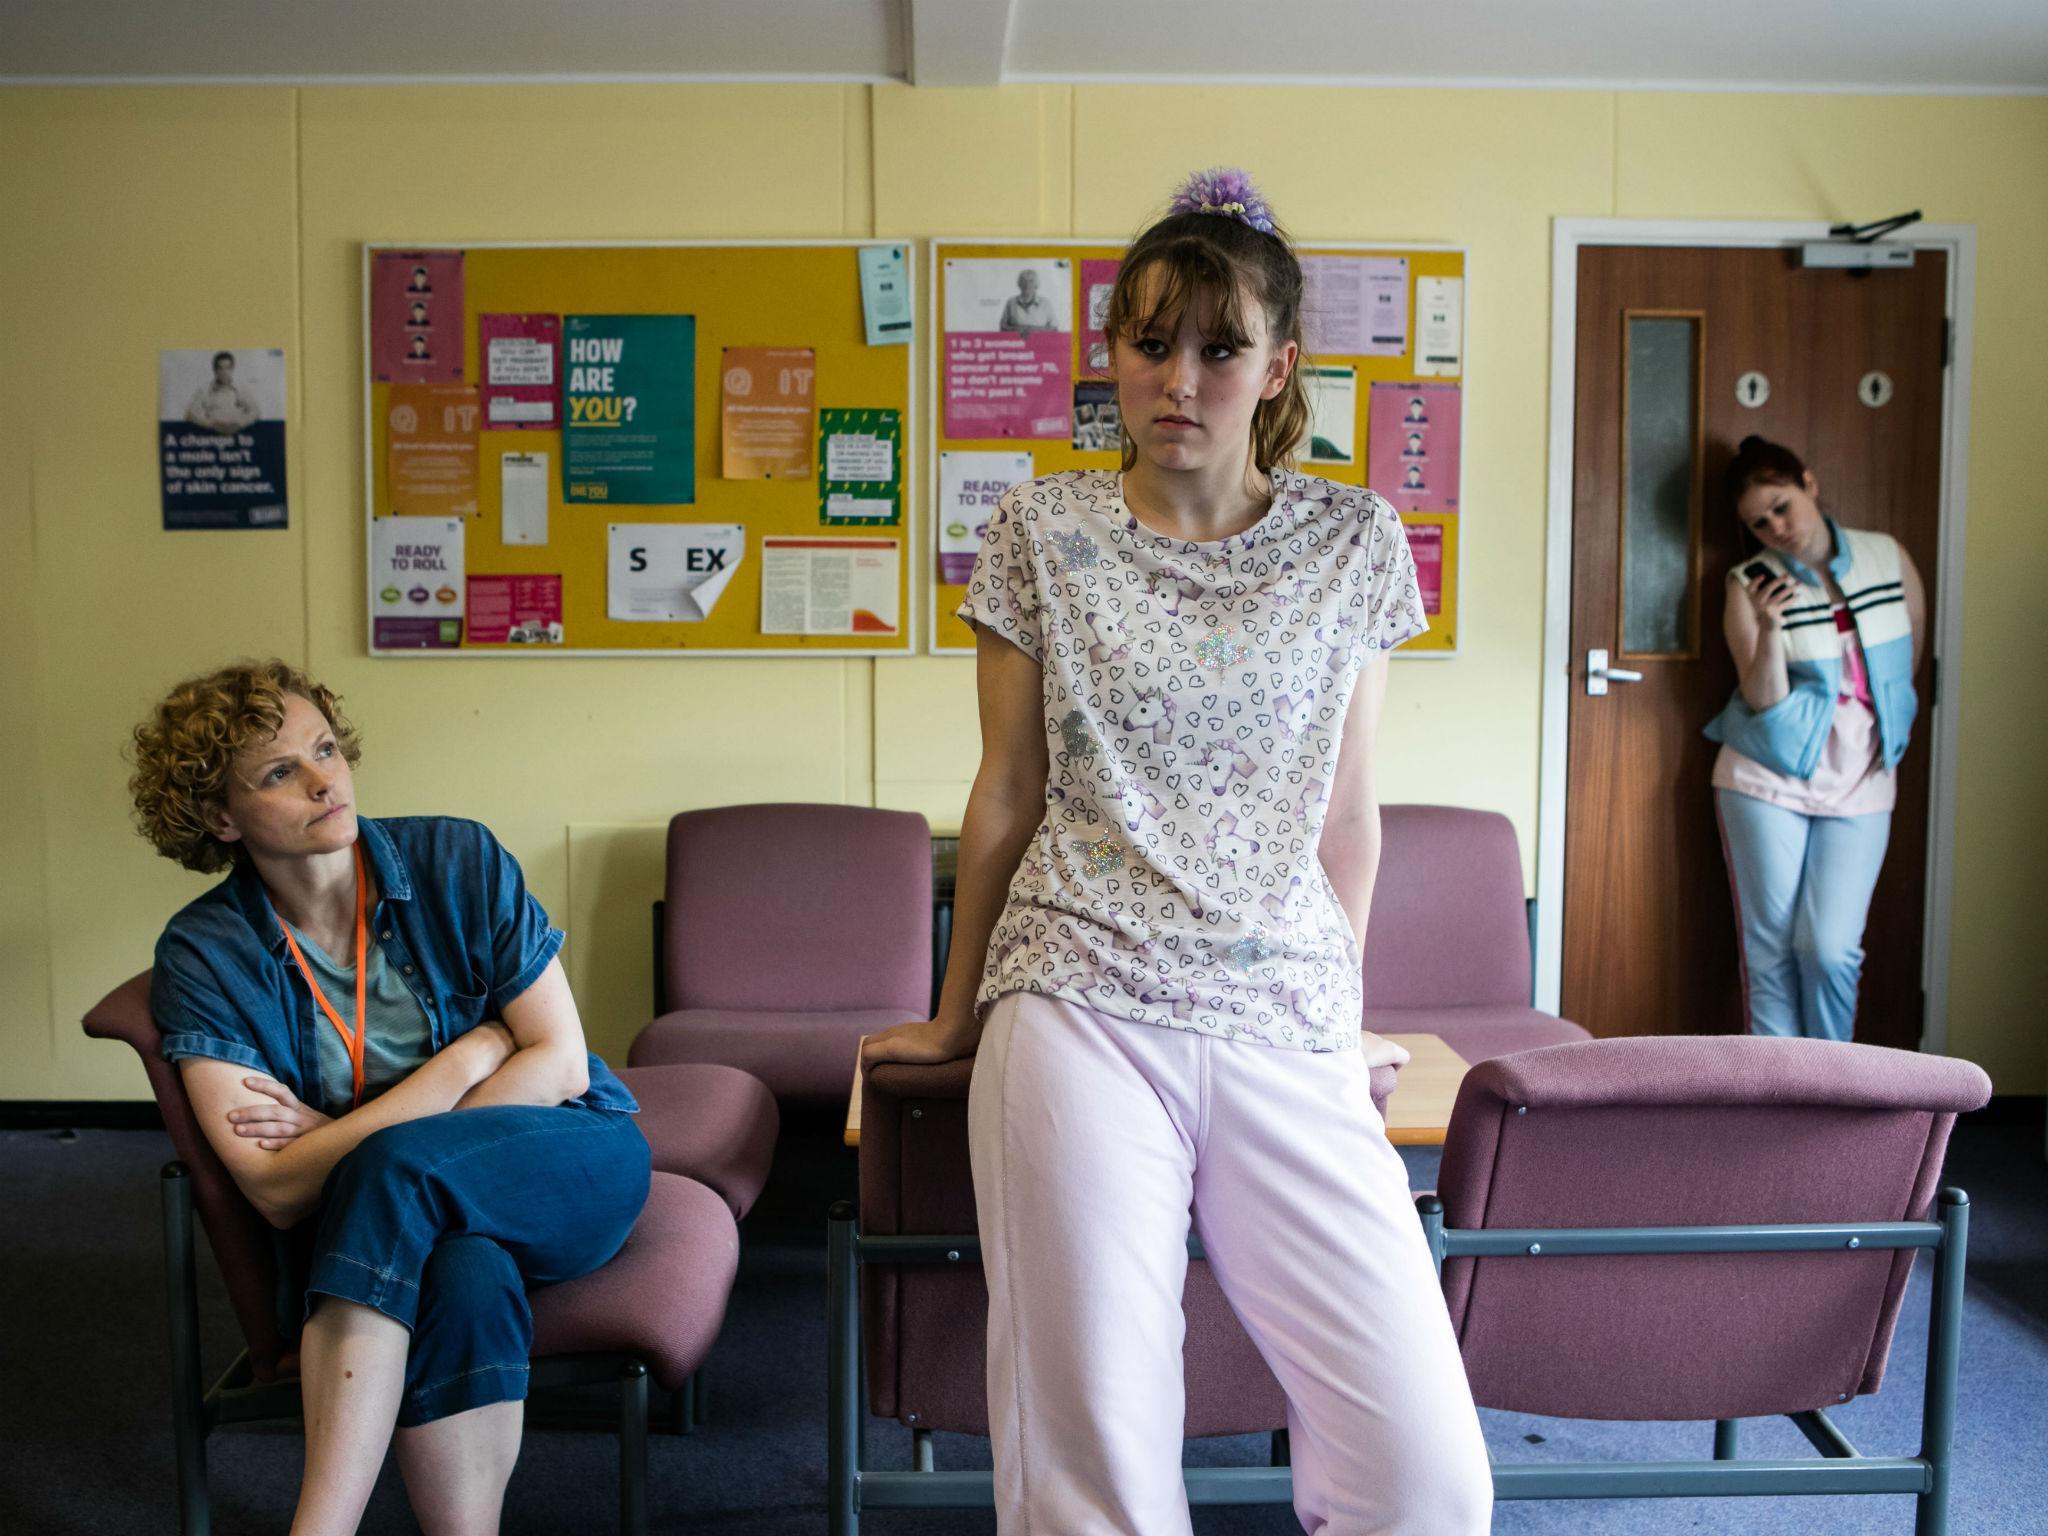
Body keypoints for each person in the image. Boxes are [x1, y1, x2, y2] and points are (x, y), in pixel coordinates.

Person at [861, 168, 1491, 1535]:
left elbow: (1347, 814)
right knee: (1095, 1464)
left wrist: (1349, 1013)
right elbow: (1008, 789)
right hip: (1078, 996)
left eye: (1219, 347)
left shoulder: (1355, 540)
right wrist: (950, 1011)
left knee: (1428, 1477)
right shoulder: (1041, 528)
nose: (1180, 378)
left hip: (1285, 1013)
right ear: (1112, 357)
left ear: (1277, 368)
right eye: (1152, 342)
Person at [131, 660, 650, 1536]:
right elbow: (277, 1189)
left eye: (325, 748)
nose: (325, 780)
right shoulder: (205, 954)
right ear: (220, 818)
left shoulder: (457, 858)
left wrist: (346, 1139)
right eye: (278, 772)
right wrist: (462, 1063)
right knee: (463, 1275)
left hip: (568, 1154)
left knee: (397, 1170)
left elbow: (560, 1065)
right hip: (405, 1223)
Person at [1705, 435, 1925, 1040]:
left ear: (1809, 483)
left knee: (1829, 948)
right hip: (1765, 779)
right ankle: (1775, 1102)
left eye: (1781, 506)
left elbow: (1909, 661)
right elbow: (1763, 697)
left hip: (1864, 777)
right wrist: (1771, 626)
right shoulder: (1748, 579)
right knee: (1770, 951)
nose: (1775, 527)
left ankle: (1832, 1094)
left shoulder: (1888, 557)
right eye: (1758, 522)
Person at [184, 350, 261, 434]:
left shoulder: (241, 389)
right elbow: (190, 414)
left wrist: (238, 424)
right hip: (213, 435)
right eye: (220, 368)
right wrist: (212, 425)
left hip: (238, 434)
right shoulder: (205, 390)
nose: (224, 372)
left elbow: (256, 412)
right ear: (215, 370)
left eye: (228, 368)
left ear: (232, 369)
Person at [998, 267, 1060, 333]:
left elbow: (1054, 329)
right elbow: (1002, 327)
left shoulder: (1045, 303)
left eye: (1031, 281)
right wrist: (1018, 330)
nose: (1027, 285)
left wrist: (1032, 330)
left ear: (1036, 284)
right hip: (1017, 342)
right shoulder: (1011, 302)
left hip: (1041, 342)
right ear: (1019, 284)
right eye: (1024, 281)